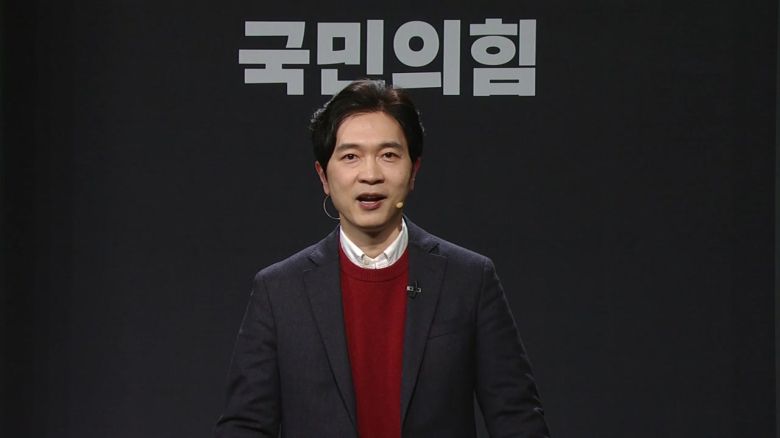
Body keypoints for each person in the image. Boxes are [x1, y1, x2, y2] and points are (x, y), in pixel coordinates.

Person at [215, 80, 550, 438]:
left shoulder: (469, 279)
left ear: (413, 171)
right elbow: (245, 426)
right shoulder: (279, 290)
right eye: (350, 156)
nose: (371, 175)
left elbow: (517, 419)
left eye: (389, 155)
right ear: (323, 176)